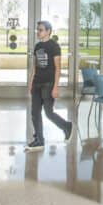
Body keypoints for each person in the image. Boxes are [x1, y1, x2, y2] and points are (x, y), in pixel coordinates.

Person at [26, 20, 73, 151]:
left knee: (48, 112)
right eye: (37, 30)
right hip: (36, 83)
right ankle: (39, 140)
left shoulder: (54, 46)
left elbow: (58, 68)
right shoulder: (37, 46)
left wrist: (56, 87)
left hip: (48, 84)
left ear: (48, 31)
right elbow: (35, 66)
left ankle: (67, 126)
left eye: (40, 30)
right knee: (35, 112)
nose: (38, 32)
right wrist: (30, 83)